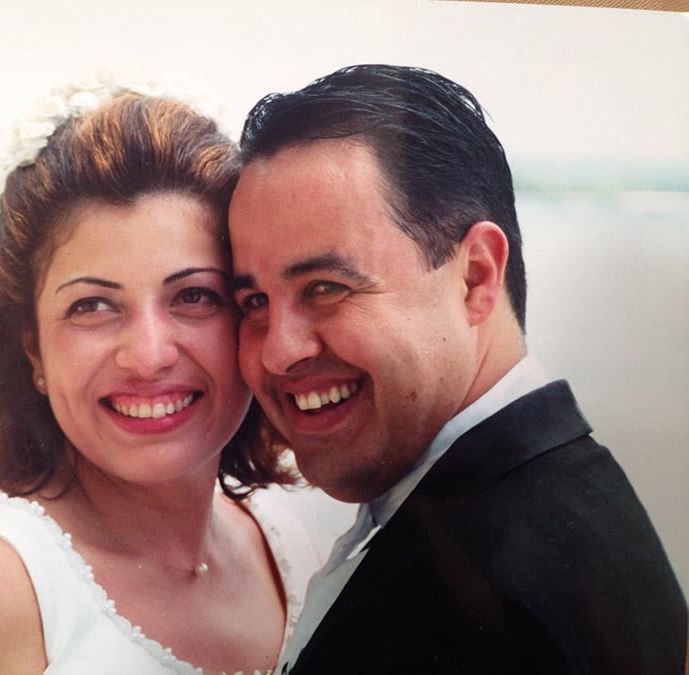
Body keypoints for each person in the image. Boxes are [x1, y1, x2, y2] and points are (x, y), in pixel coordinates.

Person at [0, 79, 318, 674]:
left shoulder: (291, 537)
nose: (148, 355)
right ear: (32, 350)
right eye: (92, 306)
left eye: (194, 296)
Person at [228, 64, 688, 674]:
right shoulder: (563, 499)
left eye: (325, 287)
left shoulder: (478, 593)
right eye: (253, 301)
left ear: (475, 276)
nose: (277, 351)